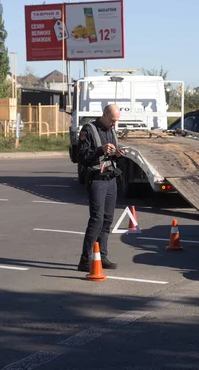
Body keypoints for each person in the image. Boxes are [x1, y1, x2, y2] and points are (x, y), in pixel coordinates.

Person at [76, 104, 125, 272]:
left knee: (107, 219)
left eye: (116, 121)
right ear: (104, 114)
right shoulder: (88, 129)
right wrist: (100, 150)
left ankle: (102, 256)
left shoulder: (111, 130)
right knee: (96, 219)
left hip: (111, 178)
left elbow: (111, 157)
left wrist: (117, 154)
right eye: (112, 120)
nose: (114, 124)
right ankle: (85, 259)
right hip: (97, 180)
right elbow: (81, 157)